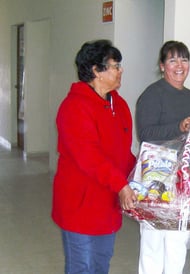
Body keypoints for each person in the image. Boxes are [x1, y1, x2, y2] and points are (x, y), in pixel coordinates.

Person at [51, 39, 137, 274]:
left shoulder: (119, 105)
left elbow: (122, 153)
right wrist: (122, 185)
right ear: (96, 71)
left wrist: (143, 170)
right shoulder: (74, 107)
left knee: (101, 263)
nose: (121, 70)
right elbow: (89, 156)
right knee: (82, 266)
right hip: (80, 203)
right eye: (115, 65)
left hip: (107, 203)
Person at [135, 40, 190, 274]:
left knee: (178, 239)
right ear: (162, 66)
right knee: (153, 239)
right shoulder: (152, 94)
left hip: (183, 178)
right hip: (155, 176)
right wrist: (179, 126)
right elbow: (145, 134)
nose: (179, 65)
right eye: (172, 60)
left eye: (184, 59)